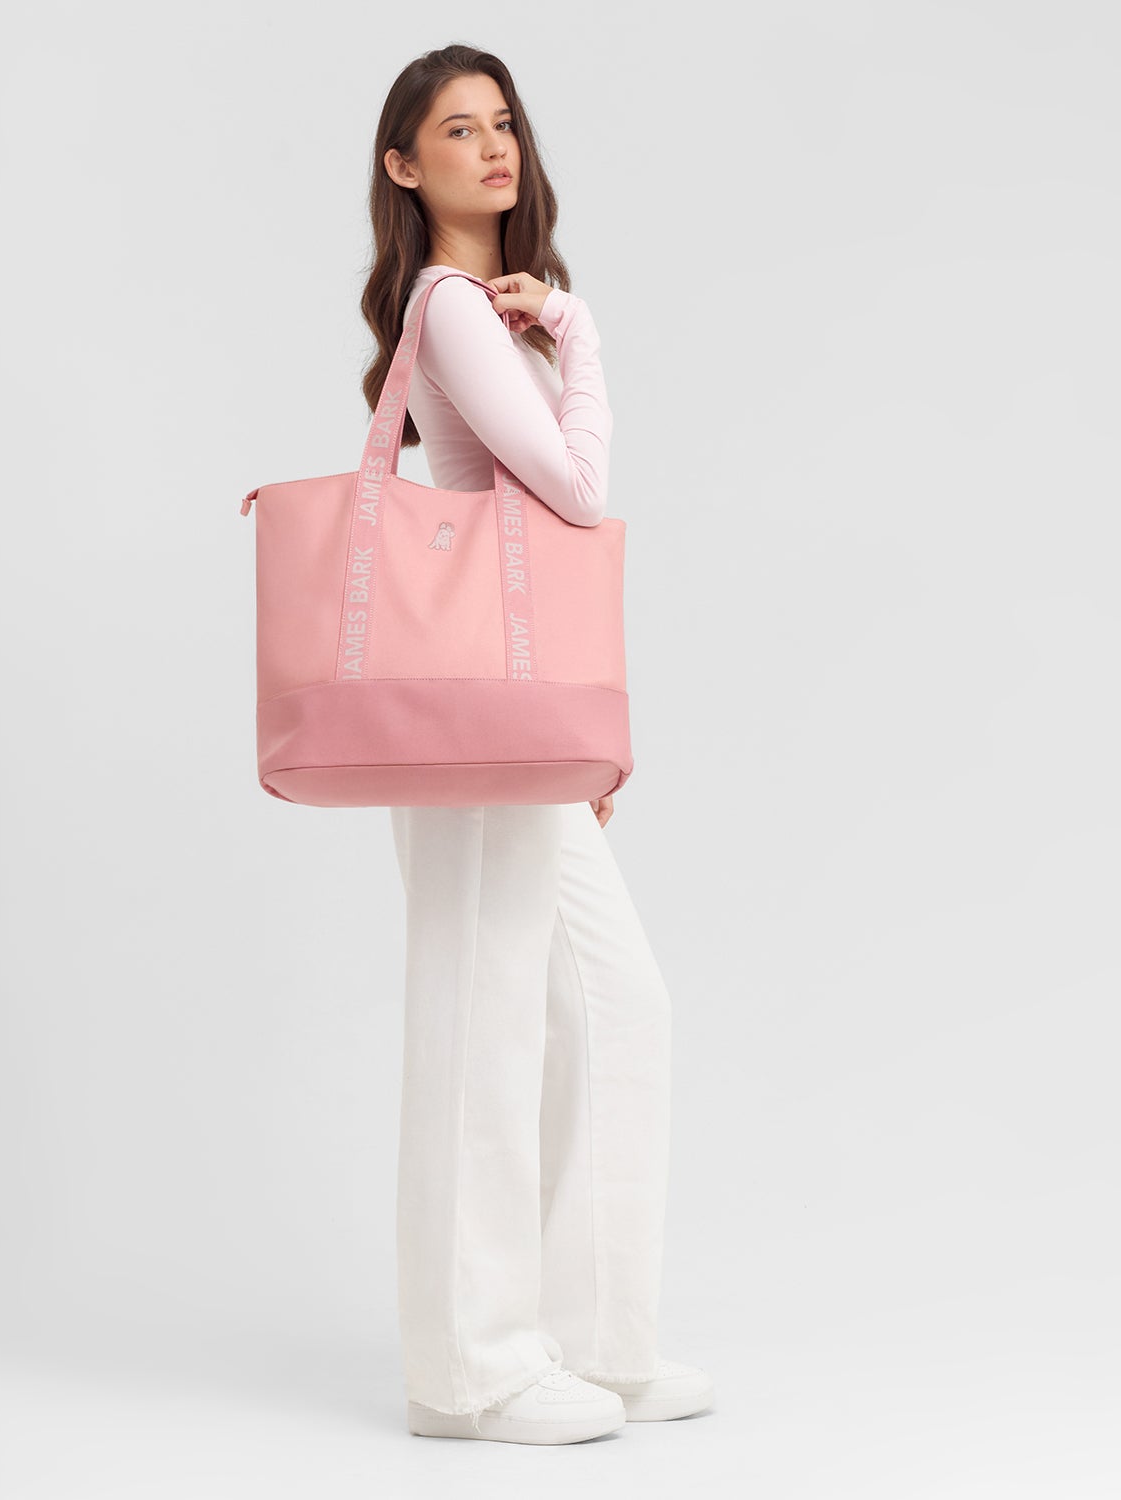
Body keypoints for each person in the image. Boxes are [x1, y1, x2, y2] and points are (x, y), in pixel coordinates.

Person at [363, 44, 715, 1446]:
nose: (493, 148)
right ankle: (470, 1371)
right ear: (406, 166)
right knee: (479, 1026)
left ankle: (594, 1336)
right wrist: (583, 338)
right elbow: (573, 490)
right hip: (465, 723)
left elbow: (545, 538)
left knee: (621, 1006)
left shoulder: (499, 312)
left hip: (512, 715)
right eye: (458, 129)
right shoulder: (453, 307)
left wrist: (557, 329)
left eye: (502, 122)